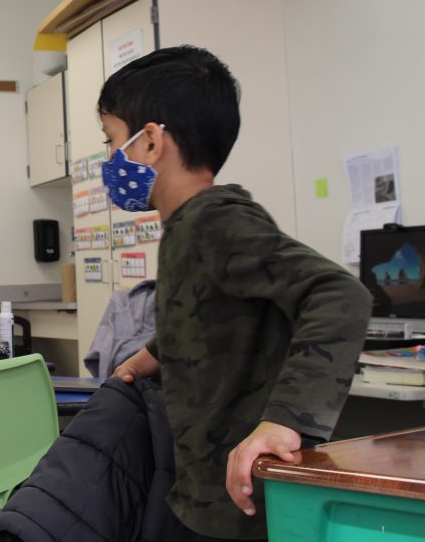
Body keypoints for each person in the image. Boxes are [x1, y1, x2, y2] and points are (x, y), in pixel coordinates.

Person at [99, 46, 370, 541]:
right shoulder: (189, 227)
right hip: (201, 489)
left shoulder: (215, 221)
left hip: (240, 499)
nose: (111, 161)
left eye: (113, 142)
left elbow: (339, 294)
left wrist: (285, 422)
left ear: (153, 141)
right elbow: (208, 312)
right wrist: (149, 356)